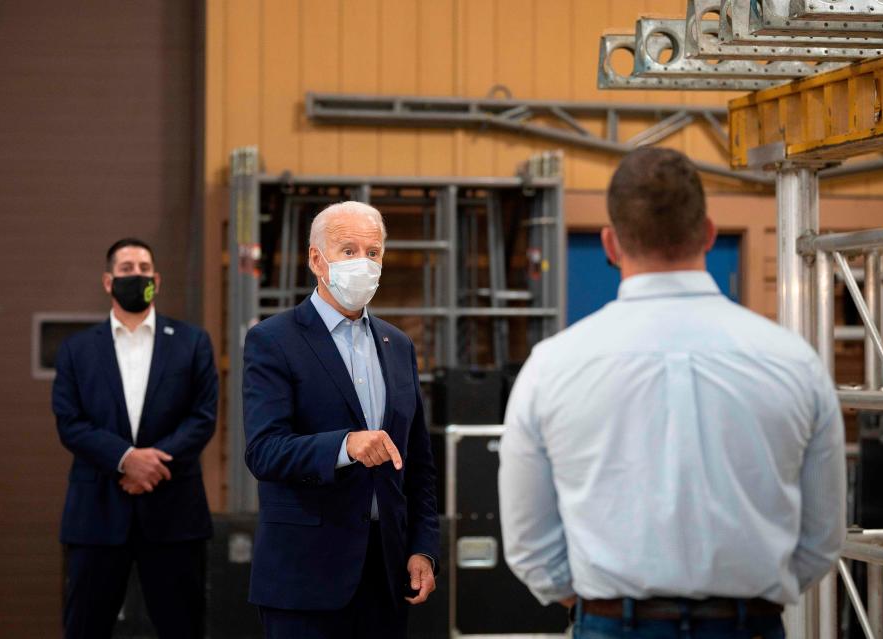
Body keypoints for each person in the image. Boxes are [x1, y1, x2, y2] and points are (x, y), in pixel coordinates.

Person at [498, 147, 845, 639]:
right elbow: (821, 538)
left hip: (612, 623)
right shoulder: (794, 362)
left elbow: (529, 542)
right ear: (707, 232)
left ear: (611, 244)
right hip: (750, 624)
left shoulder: (552, 366)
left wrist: (597, 606)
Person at [242, 201, 440, 639]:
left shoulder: (398, 344)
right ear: (317, 259)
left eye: (373, 252)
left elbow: (419, 463)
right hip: (305, 577)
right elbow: (263, 451)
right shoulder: (273, 341)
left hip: (385, 574)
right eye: (348, 251)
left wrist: (423, 547)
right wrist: (344, 446)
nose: (364, 263)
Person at [53, 238, 218, 639]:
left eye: (144, 268)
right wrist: (127, 459)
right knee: (85, 628)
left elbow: (203, 416)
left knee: (183, 627)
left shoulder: (192, 341)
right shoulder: (77, 350)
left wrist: (152, 464)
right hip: (96, 515)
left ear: (156, 281)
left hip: (174, 513)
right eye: (126, 269)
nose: (136, 275)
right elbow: (69, 422)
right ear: (108, 281)